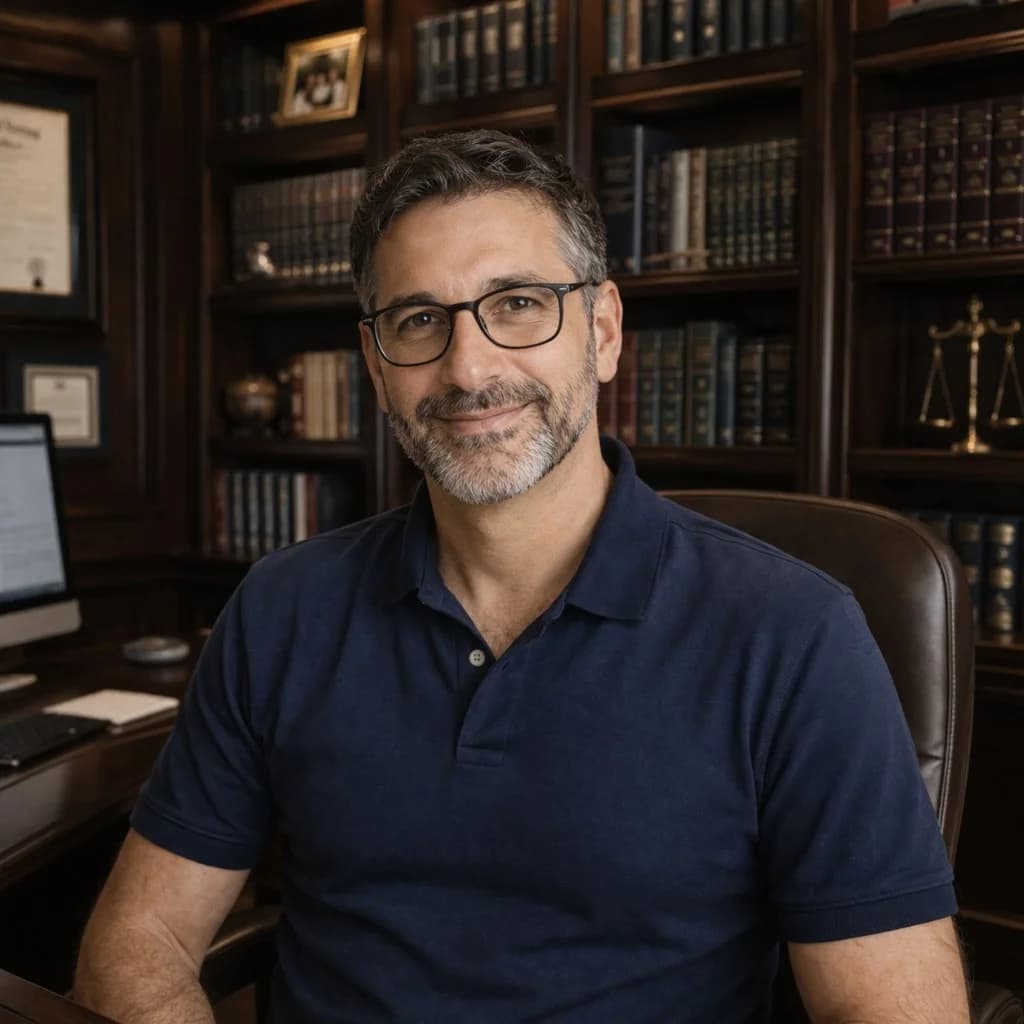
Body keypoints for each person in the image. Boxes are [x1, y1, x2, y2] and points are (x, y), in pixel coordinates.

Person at [73, 130, 970, 1023]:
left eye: (518, 303)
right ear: (377, 368)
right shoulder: (282, 608)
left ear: (604, 330)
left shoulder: (794, 633)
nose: (470, 368)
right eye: (419, 320)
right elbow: (137, 943)